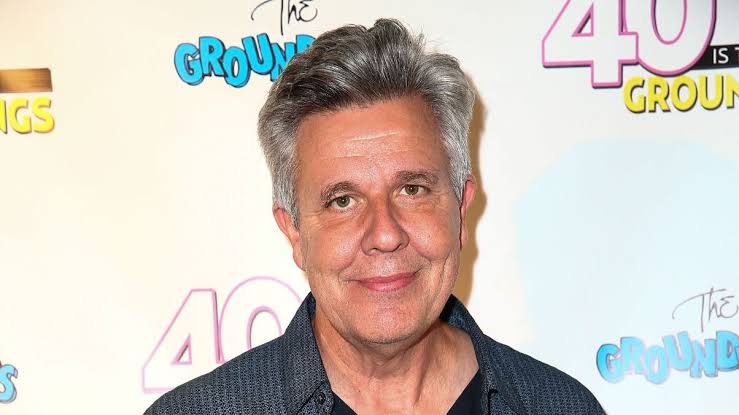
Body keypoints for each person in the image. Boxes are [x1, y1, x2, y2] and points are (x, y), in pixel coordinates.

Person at [145, 18, 605, 415]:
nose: (385, 234)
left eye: (412, 190)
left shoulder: (561, 406)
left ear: (461, 209)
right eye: (342, 201)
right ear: (294, 231)